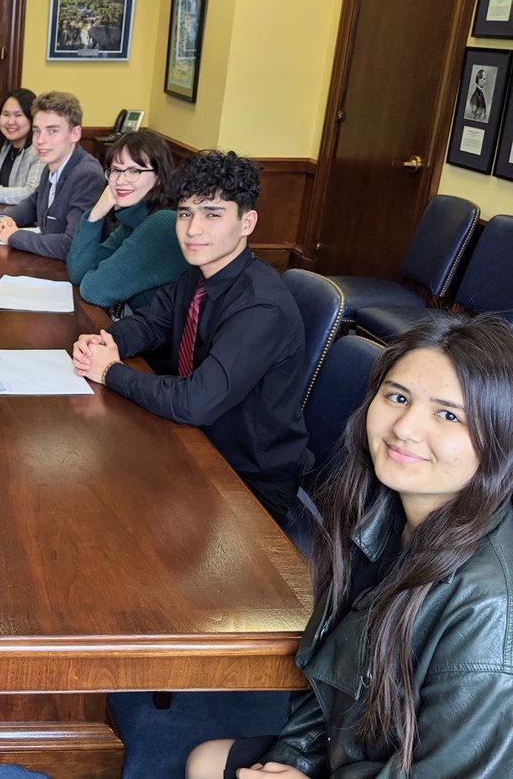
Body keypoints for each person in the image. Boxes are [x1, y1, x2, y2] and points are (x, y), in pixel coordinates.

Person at [187, 313, 513, 779]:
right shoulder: (384, 512)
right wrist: (293, 759)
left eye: (448, 414)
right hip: (359, 750)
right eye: (397, 397)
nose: (404, 428)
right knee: (204, 761)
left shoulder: (491, 607)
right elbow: (334, 676)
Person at [71, 150, 311, 521]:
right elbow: (152, 322)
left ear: (247, 222)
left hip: (244, 479)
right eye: (186, 213)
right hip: (193, 440)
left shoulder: (261, 308)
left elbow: (195, 402)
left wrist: (109, 371)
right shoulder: (199, 276)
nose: (193, 229)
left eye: (212, 214)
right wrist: (110, 341)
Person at [66, 128, 188, 315]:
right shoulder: (132, 221)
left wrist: (98, 274)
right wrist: (96, 213)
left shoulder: (163, 224)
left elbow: (94, 290)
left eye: (134, 171)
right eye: (115, 170)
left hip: (158, 342)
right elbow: (78, 271)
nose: (120, 180)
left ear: (158, 178)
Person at [0, 91, 104, 261]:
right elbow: (34, 203)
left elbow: (71, 245)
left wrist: (14, 236)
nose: (40, 140)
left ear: (75, 134)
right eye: (36, 131)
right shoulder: (52, 165)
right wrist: (6, 218)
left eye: (52, 131)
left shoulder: (87, 175)